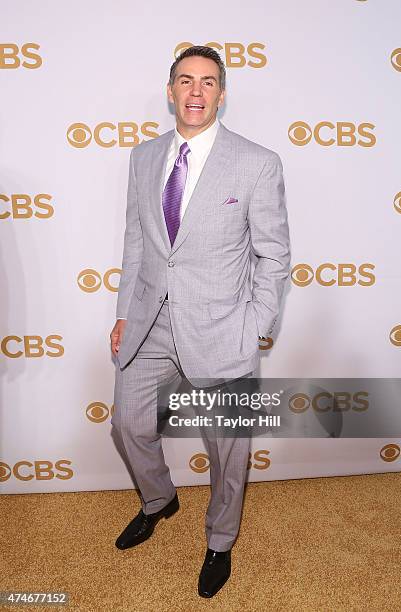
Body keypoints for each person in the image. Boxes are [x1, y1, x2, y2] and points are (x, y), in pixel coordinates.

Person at [110, 45, 290, 598]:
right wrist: (123, 314)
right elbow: (138, 241)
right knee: (128, 425)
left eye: (208, 82)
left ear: (221, 93)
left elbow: (274, 254)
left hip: (222, 329)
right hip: (149, 323)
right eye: (185, 81)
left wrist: (257, 324)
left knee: (228, 451)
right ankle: (160, 500)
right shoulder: (143, 158)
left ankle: (219, 540)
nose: (195, 92)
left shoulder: (257, 162)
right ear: (170, 90)